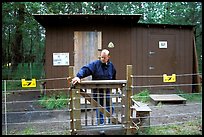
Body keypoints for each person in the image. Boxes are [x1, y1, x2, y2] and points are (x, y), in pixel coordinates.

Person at [71, 49, 116, 125]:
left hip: (107, 91)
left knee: (110, 108)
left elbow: (114, 77)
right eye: (101, 57)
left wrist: (114, 87)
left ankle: (111, 123)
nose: (102, 59)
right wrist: (78, 77)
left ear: (108, 57)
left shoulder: (111, 66)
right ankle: (101, 125)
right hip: (97, 92)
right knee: (100, 109)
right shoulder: (95, 64)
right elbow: (86, 69)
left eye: (104, 57)